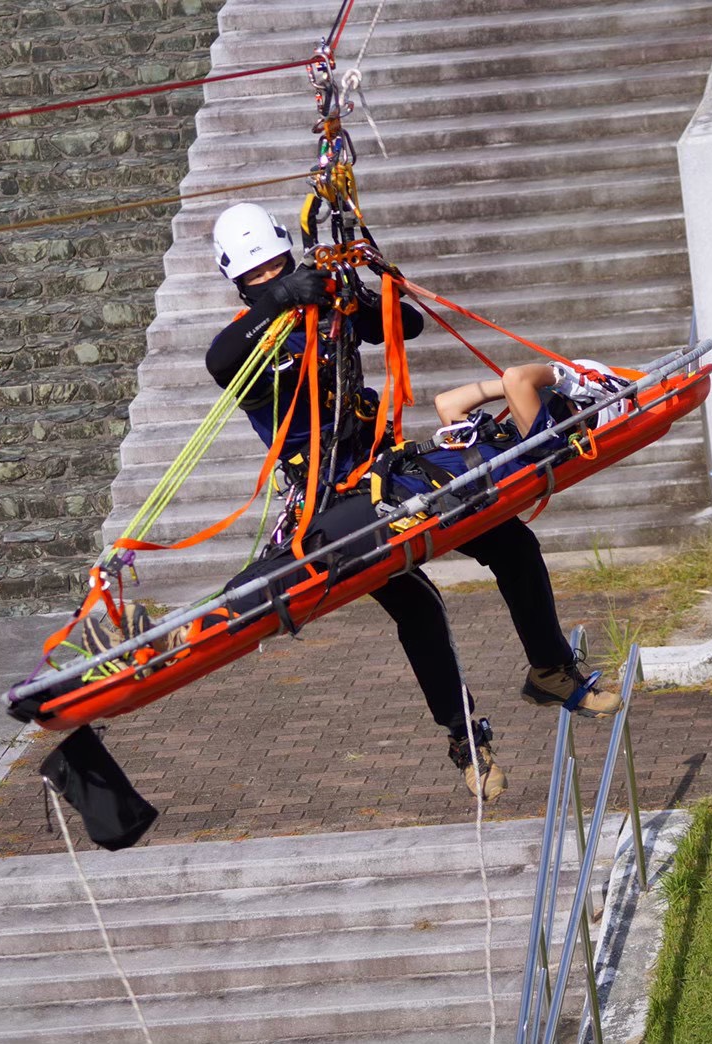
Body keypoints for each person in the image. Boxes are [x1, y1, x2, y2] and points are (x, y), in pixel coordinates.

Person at [201, 202, 620, 802]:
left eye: (277, 266)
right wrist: (281, 298)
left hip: (391, 474)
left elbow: (405, 329)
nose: (270, 278)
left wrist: (362, 291)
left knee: (510, 539)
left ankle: (550, 669)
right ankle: (464, 738)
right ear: (241, 284)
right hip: (331, 504)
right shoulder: (252, 345)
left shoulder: (323, 316)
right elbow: (218, 361)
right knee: (418, 606)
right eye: (257, 276)